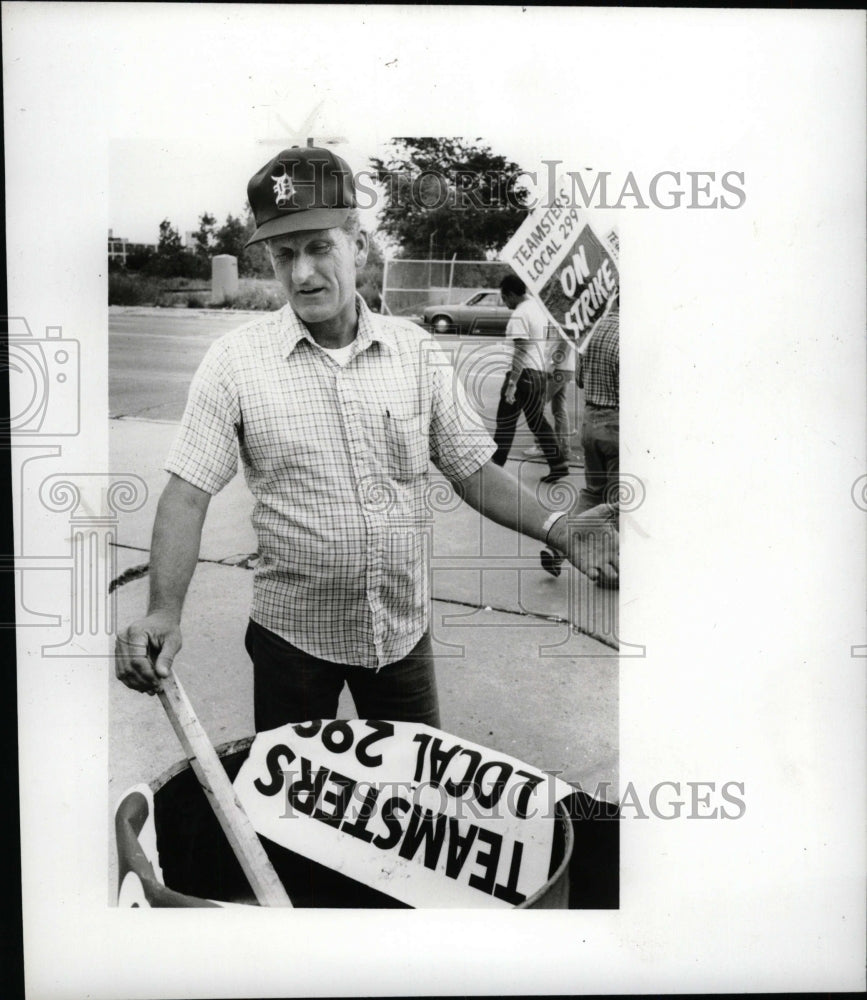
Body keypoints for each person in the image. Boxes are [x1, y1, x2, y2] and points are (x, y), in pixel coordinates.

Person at [114, 146, 618, 731]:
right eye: (284, 255)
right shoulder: (234, 363)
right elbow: (187, 493)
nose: (301, 273)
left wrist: (562, 529)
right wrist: (162, 612)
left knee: (413, 804)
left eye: (319, 247)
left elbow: (474, 469)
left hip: (401, 640)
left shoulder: (415, 351)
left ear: (358, 244)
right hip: (291, 645)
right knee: (295, 817)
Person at [540, 291, 619, 577]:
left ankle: (560, 547)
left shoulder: (593, 331)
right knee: (617, 499)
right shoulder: (628, 336)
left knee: (591, 492)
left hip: (591, 421)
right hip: (617, 423)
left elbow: (582, 380)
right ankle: (612, 565)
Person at [491, 275, 570, 483]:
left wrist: (511, 383)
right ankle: (558, 462)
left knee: (505, 421)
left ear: (509, 294)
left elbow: (521, 349)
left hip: (523, 374)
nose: (504, 302)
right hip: (539, 374)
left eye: (504, 298)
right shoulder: (538, 307)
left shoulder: (520, 314)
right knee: (537, 422)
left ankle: (495, 468)